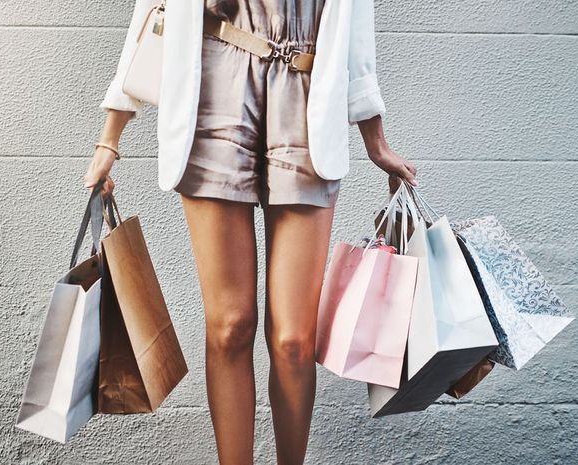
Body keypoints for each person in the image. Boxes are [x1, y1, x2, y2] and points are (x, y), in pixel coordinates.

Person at [84, 0, 416, 463]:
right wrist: (110, 137)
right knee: (230, 326)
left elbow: (355, 33)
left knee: (293, 340)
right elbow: (153, 13)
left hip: (307, 98)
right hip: (212, 90)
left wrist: (375, 139)